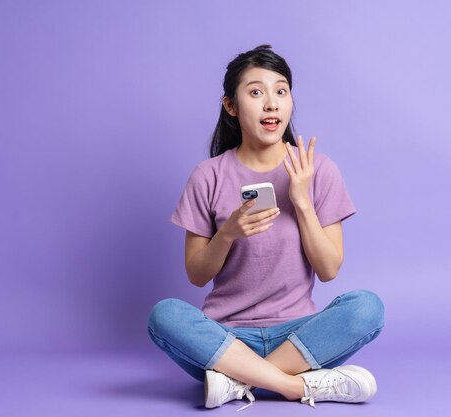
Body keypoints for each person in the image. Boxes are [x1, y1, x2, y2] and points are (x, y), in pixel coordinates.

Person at [148, 45, 384, 411]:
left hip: (300, 336)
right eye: (256, 92)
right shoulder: (207, 176)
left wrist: (302, 202)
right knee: (164, 315)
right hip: (226, 339)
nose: (271, 103)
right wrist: (228, 233)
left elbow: (329, 270)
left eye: (281, 91)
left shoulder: (318, 170)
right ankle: (294, 386)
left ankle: (237, 382)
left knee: (367, 308)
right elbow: (196, 275)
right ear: (231, 106)